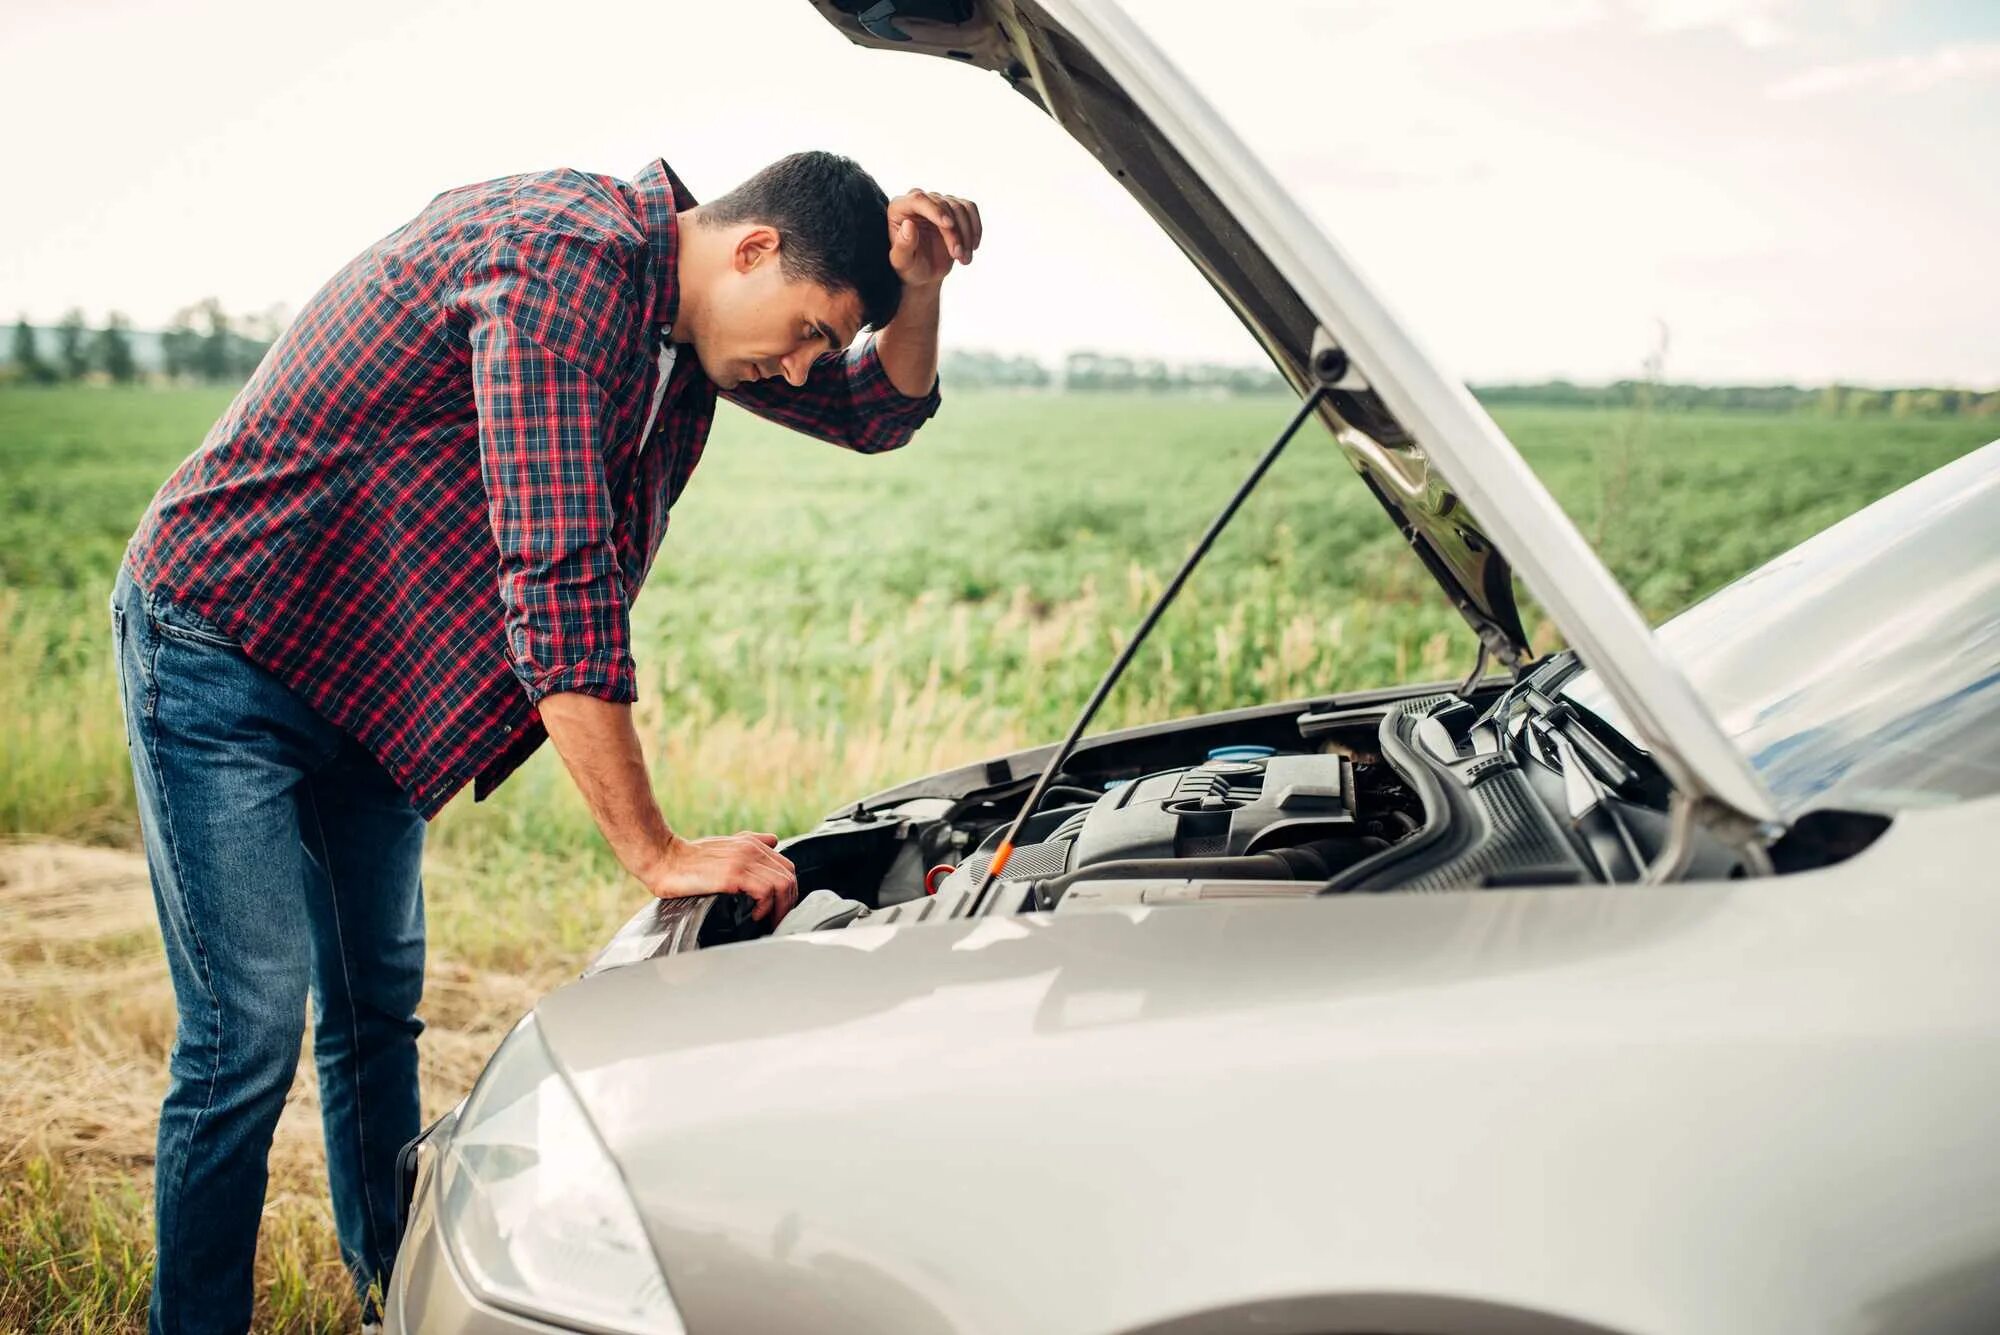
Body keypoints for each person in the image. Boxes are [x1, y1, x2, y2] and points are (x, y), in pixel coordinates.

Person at [110, 149, 980, 1334]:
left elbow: (875, 414)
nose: (796, 368)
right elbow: (556, 576)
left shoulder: (692, 325)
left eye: (814, 351)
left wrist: (916, 290)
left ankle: (387, 1296)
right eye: (805, 333)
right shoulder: (565, 262)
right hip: (226, 638)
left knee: (375, 1010)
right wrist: (657, 851)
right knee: (247, 1028)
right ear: (754, 248)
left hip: (364, 676)